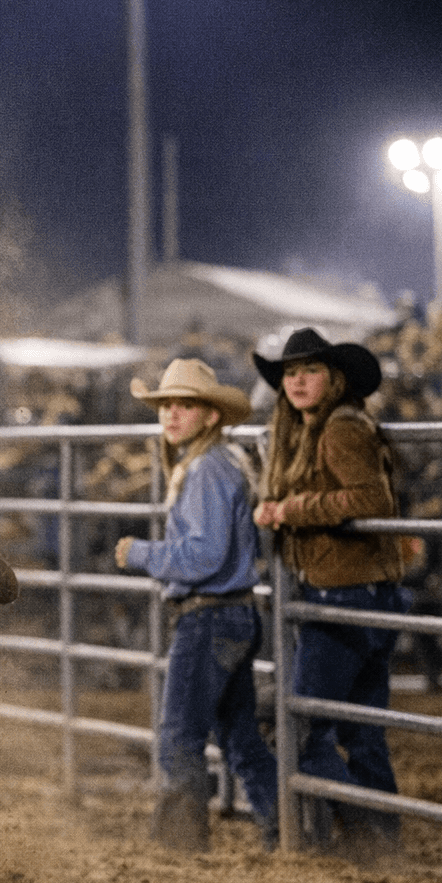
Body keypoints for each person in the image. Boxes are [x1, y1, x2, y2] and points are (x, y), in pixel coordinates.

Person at [252, 326, 408, 860]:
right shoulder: (336, 426)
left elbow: (371, 499)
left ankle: (365, 836)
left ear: (333, 377)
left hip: (342, 595)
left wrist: (290, 510)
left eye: (309, 371)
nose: (296, 382)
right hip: (368, 592)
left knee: (307, 727)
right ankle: (383, 844)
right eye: (290, 373)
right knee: (362, 729)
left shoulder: (338, 430)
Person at [113, 358, 276, 852]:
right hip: (234, 613)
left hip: (207, 615)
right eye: (167, 405)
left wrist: (141, 553)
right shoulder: (223, 462)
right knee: (239, 734)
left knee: (180, 733)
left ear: (210, 415)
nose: (173, 414)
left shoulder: (205, 469)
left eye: (186, 405)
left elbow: (204, 554)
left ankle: (179, 844)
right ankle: (286, 827)